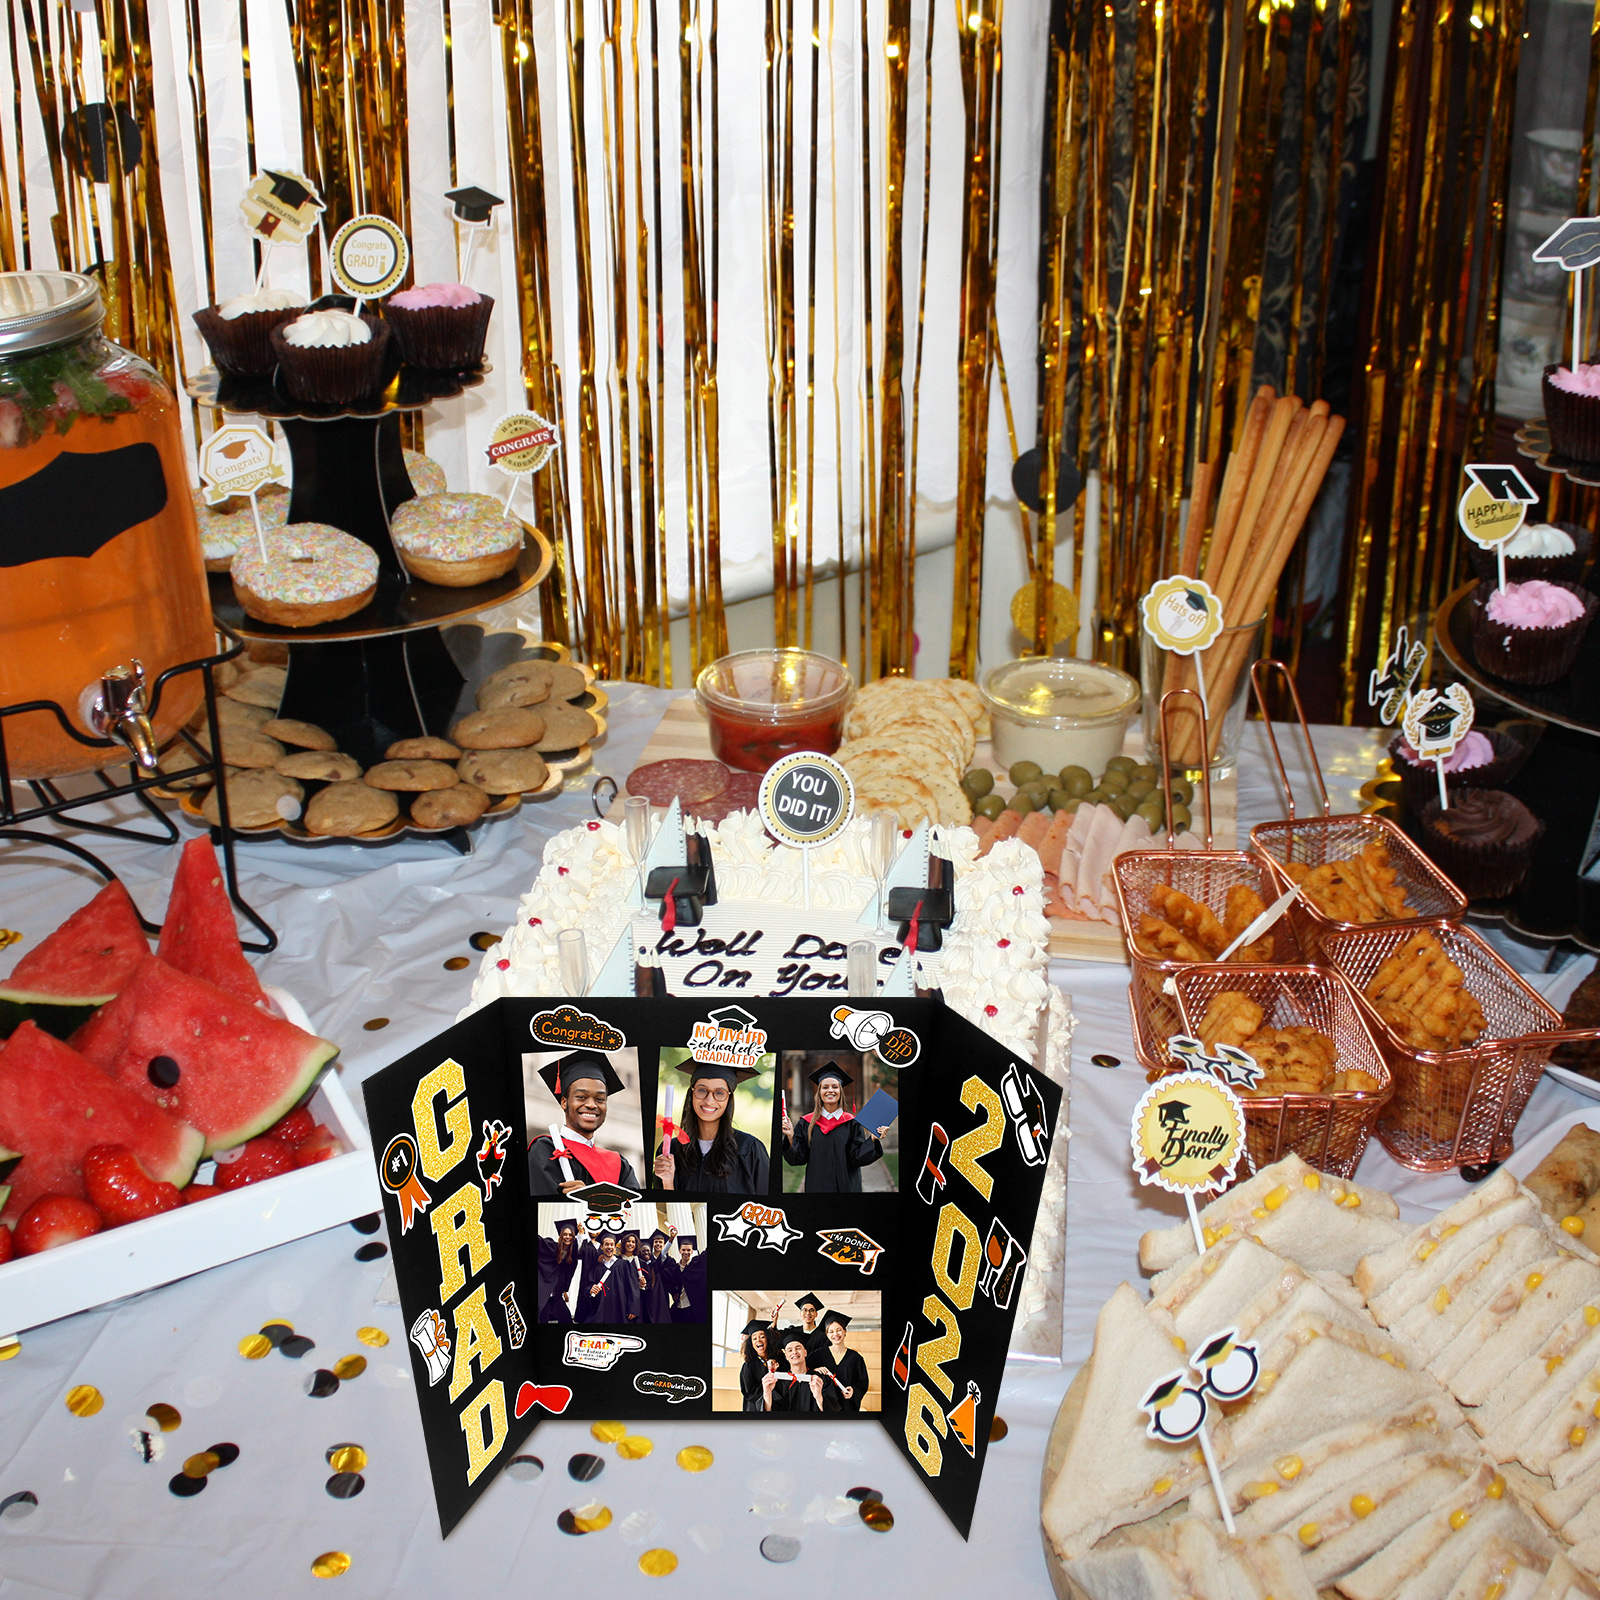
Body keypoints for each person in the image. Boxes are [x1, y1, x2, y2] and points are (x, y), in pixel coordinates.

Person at [527, 1050, 641, 1195]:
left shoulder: (620, 1165)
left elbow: (635, 1206)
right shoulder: (545, 1150)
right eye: (581, 1097)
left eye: (600, 1099)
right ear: (564, 1102)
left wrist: (590, 1197)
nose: (592, 1105)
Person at [652, 1061, 769, 1194]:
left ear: (729, 1099)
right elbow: (665, 1206)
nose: (709, 1100)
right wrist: (667, 1182)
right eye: (702, 1090)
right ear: (692, 1093)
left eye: (719, 1093)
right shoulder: (670, 1150)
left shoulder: (749, 1149)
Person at [781, 1062, 889, 1193]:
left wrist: (873, 1139)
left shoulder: (851, 1123)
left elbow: (856, 1157)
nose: (830, 1090)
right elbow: (798, 1158)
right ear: (819, 1092)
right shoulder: (806, 1123)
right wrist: (791, 1136)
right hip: (817, 1187)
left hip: (847, 1186)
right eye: (825, 1087)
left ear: (840, 1092)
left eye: (835, 1087)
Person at [762, 1328, 842, 1413]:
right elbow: (771, 1414)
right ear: (786, 1357)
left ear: (805, 1352)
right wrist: (767, 1393)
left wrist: (819, 1397)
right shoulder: (779, 1382)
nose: (794, 1352)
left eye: (798, 1348)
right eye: (790, 1350)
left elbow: (833, 1414)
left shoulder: (821, 1380)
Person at [813, 1309, 868, 1413]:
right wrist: (815, 1370)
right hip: (825, 1406)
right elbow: (806, 1371)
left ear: (845, 1331)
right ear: (827, 1334)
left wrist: (854, 1391)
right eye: (831, 1331)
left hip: (847, 1406)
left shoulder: (855, 1358)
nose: (835, 1334)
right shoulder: (818, 1355)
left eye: (839, 1330)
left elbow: (862, 1382)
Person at [574, 1231, 630, 1322]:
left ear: (615, 1247)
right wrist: (591, 1289)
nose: (609, 1247)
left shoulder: (624, 1264)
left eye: (611, 1245)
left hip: (620, 1311)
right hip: (601, 1312)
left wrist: (632, 1309)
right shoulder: (597, 1269)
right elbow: (588, 1288)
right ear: (601, 1247)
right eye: (606, 1244)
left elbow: (631, 1288)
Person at [537, 1216, 580, 1322]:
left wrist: (565, 1290)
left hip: (556, 1296)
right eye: (565, 1234)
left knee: (566, 1318)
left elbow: (568, 1274)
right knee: (543, 1318)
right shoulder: (551, 1246)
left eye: (570, 1235)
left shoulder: (570, 1257)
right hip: (543, 1294)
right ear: (561, 1236)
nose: (567, 1237)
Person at [738, 1316, 779, 1413]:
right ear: (751, 1343)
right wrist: (767, 1387)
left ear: (768, 1339)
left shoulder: (778, 1360)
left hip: (778, 1405)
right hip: (756, 1408)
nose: (758, 1340)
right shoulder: (748, 1366)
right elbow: (749, 1393)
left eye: (762, 1337)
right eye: (754, 1338)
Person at [669, 1229, 708, 1322]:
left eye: (688, 1250)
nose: (685, 1252)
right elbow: (669, 1283)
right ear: (679, 1251)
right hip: (678, 1307)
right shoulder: (675, 1268)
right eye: (683, 1250)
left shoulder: (696, 1264)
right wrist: (673, 1293)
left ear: (692, 1251)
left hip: (693, 1308)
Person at [640, 1228, 677, 1323]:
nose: (658, 1244)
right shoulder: (646, 1261)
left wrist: (674, 1292)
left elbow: (674, 1278)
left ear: (664, 1245)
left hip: (662, 1293)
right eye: (656, 1242)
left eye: (660, 1242)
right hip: (648, 1294)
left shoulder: (669, 1260)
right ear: (652, 1244)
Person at [615, 1229, 647, 1322]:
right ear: (623, 1243)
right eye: (628, 1241)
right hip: (620, 1300)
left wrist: (642, 1285)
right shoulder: (616, 1261)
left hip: (636, 1303)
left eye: (633, 1242)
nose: (631, 1244)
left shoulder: (641, 1263)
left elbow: (647, 1286)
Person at [793, 1292, 830, 1363]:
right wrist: (774, 1322)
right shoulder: (794, 1332)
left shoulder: (823, 1335)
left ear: (816, 1314)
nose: (808, 1313)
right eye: (805, 1310)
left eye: (811, 1310)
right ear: (800, 1314)